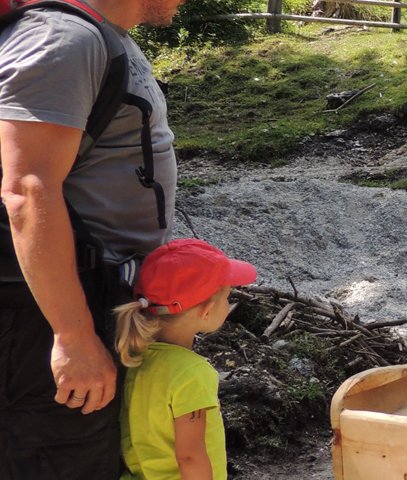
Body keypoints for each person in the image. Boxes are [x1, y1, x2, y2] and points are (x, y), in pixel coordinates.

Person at [0, 0, 181, 477]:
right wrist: (72, 336)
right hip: (42, 314)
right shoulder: (64, 40)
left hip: (87, 295)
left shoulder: (99, 35)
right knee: (57, 459)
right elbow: (25, 190)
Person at [114, 238, 256, 480]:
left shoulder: (134, 358)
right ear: (206, 311)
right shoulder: (193, 374)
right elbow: (190, 456)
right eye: (227, 298)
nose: (229, 305)